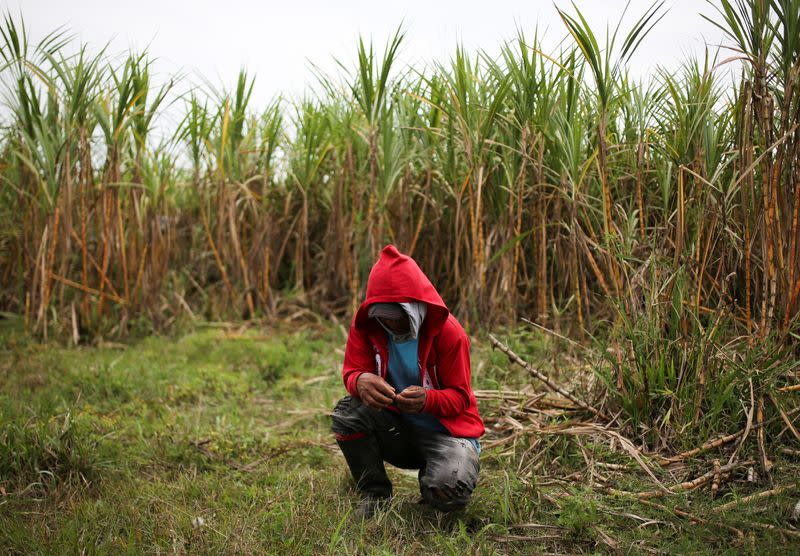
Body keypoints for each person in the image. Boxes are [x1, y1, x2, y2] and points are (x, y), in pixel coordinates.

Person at [331, 244, 484, 518]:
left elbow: (461, 398)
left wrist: (428, 400)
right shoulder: (368, 327)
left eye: (397, 318)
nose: (389, 326)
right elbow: (352, 372)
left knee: (448, 492)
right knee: (347, 413)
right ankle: (375, 495)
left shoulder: (450, 334)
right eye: (382, 318)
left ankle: (434, 478)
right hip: (398, 430)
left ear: (413, 308)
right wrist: (360, 380)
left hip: (448, 435)